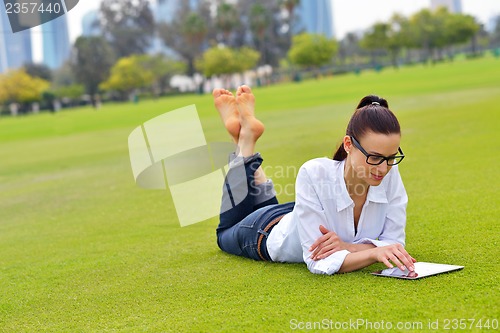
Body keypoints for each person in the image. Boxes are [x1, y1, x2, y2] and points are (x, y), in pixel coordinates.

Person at [213, 85, 416, 275]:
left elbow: (395, 243)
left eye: (390, 158)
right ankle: (246, 139)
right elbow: (317, 260)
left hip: (299, 213)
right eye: (374, 157)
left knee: (260, 207)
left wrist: (348, 248)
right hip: (266, 230)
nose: (383, 168)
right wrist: (372, 252)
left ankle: (242, 140)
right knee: (224, 234)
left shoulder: (389, 170)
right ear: (348, 145)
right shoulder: (314, 172)